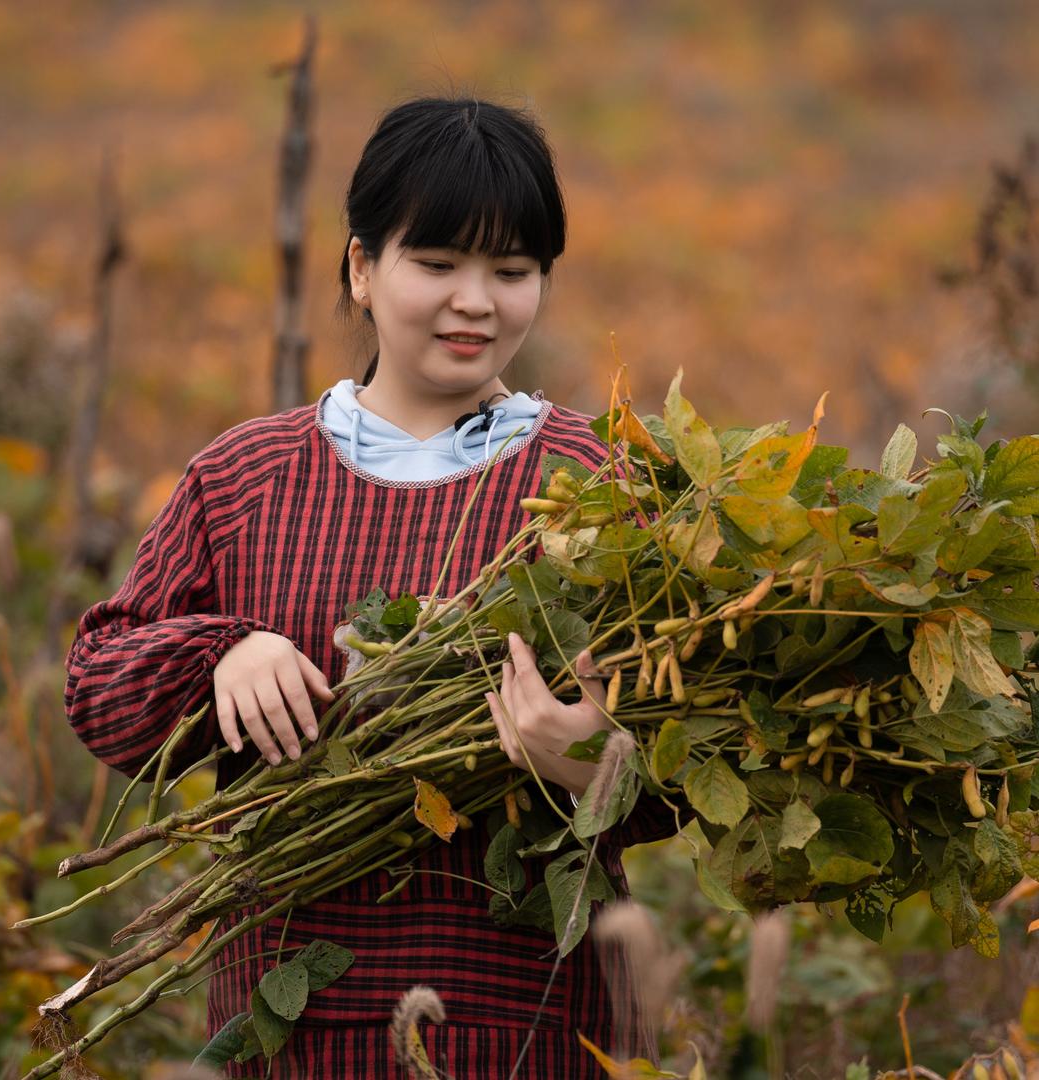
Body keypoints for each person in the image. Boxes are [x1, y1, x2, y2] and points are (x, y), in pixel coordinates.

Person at [65, 95, 679, 1077]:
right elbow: (98, 688)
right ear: (361, 268)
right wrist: (219, 653)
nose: (475, 301)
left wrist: (598, 763)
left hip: (537, 1027)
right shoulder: (243, 481)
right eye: (436, 264)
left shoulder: (596, 486)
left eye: (511, 272)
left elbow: (701, 757)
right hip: (291, 1030)